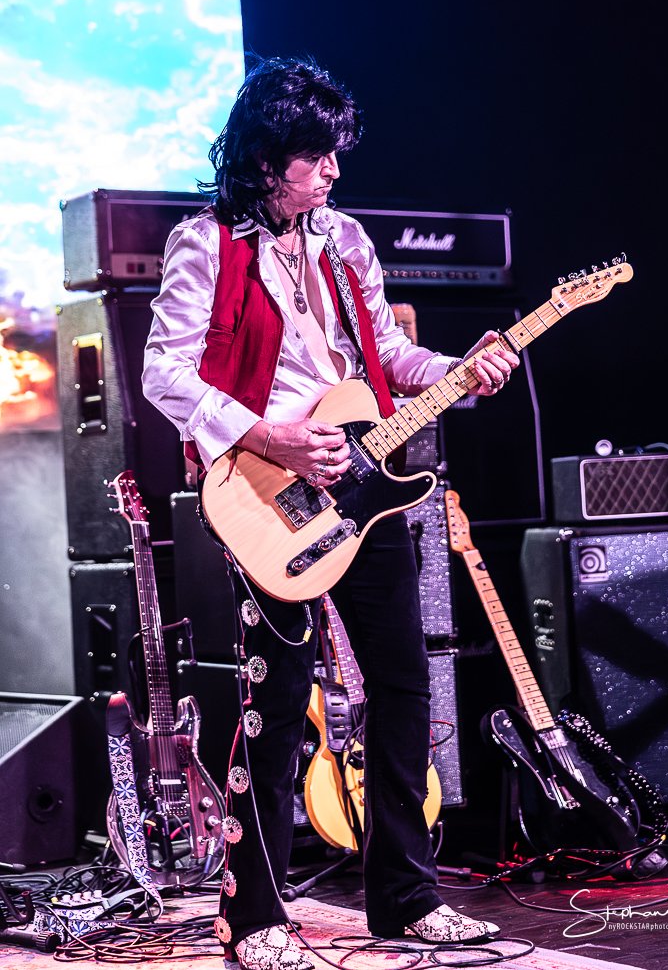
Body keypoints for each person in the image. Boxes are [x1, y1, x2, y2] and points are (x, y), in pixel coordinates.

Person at [141, 55, 518, 970]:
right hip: (266, 496)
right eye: (317, 156)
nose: (335, 171)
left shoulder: (345, 239)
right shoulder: (206, 243)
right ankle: (254, 920)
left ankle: (407, 899)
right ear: (267, 159)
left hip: (365, 486)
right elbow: (163, 371)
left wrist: (461, 371)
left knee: (404, 687)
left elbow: (384, 354)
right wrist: (268, 436)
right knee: (274, 704)